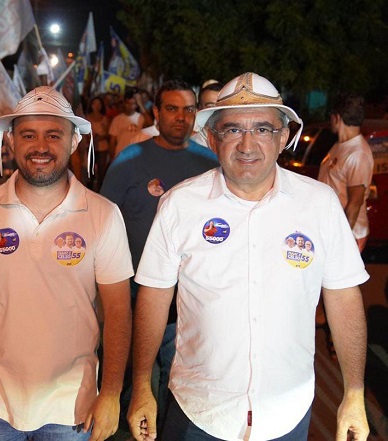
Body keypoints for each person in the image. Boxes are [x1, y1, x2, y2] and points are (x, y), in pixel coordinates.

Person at [128, 72, 370, 441]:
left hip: (286, 412)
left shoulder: (319, 205)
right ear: (212, 138)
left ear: (284, 136)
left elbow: (344, 297)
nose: (247, 144)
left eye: (262, 129)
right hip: (199, 410)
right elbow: (154, 296)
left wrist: (353, 393)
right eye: (232, 130)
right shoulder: (179, 204)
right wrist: (142, 385)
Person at [0, 86, 133, 441]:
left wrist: (112, 393)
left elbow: (118, 309)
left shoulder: (103, 214)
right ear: (11, 141)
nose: (41, 147)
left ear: (73, 142)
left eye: (53, 135)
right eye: (28, 135)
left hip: (72, 404)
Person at [100, 79, 219, 433]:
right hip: (133, 289)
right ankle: (121, 417)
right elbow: (105, 222)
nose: (181, 118)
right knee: (123, 365)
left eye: (188, 110)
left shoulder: (210, 163)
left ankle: (164, 428)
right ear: (155, 112)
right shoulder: (130, 160)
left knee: (174, 372)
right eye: (171, 109)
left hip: (185, 295)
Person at [318, 92, 374, 252]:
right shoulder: (341, 146)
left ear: (336, 118)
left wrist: (340, 243)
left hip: (349, 236)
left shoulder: (358, 153)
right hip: (331, 230)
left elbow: (354, 204)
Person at [109, 90, 146, 160]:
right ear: (124, 103)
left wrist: (141, 104)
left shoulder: (141, 118)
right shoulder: (117, 119)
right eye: (129, 104)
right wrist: (112, 158)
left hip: (136, 155)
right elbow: (112, 141)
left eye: (134, 104)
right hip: (121, 155)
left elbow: (150, 125)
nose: (131, 106)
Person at [85, 96, 111, 190]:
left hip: (102, 147)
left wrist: (101, 136)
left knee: (101, 170)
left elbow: (109, 134)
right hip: (90, 147)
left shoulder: (104, 119)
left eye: (99, 104)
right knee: (90, 170)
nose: (97, 106)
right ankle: (90, 189)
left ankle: (101, 189)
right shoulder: (87, 118)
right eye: (95, 103)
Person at [190, 81, 223, 148]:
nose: (217, 111)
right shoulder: (193, 146)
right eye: (211, 106)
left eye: (222, 106)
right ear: (199, 109)